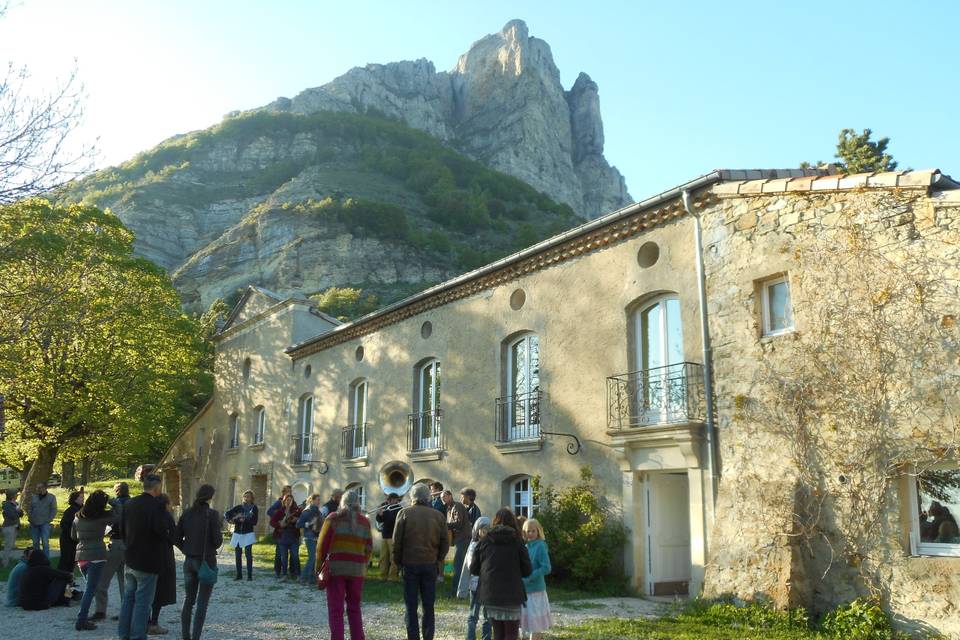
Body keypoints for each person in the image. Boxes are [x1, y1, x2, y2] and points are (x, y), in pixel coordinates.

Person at [393, 482, 449, 640]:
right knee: (428, 606)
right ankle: (428, 637)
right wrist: (438, 559)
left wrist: (398, 563)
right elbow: (445, 542)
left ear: (413, 497)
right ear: (428, 498)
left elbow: (397, 542)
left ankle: (413, 637)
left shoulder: (404, 513)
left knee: (411, 606)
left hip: (409, 564)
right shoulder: (438, 516)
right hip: (430, 564)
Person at [317, 489, 373, 640]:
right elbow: (369, 548)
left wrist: (318, 569)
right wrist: (363, 564)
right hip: (357, 571)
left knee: (336, 609)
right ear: (357, 503)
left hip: (336, 570)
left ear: (342, 501)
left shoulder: (332, 519)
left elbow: (321, 546)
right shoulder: (365, 522)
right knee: (355, 608)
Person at [118, 474, 169, 640]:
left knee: (128, 599)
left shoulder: (129, 503)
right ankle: (138, 636)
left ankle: (123, 634)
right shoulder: (157, 506)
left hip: (131, 557)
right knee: (142, 603)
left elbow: (121, 530)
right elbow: (161, 531)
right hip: (149, 560)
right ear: (156, 488)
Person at [469, 508, 532, 640]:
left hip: (490, 593)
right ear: (513, 522)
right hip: (512, 594)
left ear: (495, 521)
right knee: (511, 633)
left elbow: (474, 569)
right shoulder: (517, 541)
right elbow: (527, 570)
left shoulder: (485, 541)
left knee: (498, 633)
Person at [175, 484, 222, 640]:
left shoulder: (187, 513)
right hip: (206, 560)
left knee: (188, 600)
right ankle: (195, 637)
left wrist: (186, 549)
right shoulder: (212, 514)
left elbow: (175, 537)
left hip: (189, 561)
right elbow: (217, 542)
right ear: (210, 497)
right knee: (202, 603)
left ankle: (185, 636)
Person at [71, 489, 115, 630]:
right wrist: (114, 503)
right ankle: (81, 619)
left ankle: (82, 618)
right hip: (97, 555)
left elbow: (73, 536)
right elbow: (119, 517)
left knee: (90, 588)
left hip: (81, 557)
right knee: (90, 589)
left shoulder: (78, 516)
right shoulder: (102, 517)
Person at [92, 481, 131, 621]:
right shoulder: (133, 504)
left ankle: (100, 610)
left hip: (116, 543)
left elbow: (111, 522)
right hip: (129, 543)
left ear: (117, 491)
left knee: (103, 578)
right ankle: (126, 611)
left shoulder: (116, 507)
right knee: (124, 580)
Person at [457, 517, 492, 640]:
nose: (486, 532)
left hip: (489, 586)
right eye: (484, 530)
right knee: (473, 615)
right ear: (477, 531)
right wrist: (462, 590)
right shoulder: (473, 546)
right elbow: (469, 567)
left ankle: (486, 638)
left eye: (488, 529)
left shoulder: (492, 546)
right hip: (476, 585)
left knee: (488, 617)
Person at [148, 493, 178, 636]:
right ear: (166, 504)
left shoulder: (148, 515)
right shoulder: (166, 517)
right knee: (159, 592)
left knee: (146, 591)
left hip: (148, 557)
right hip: (163, 557)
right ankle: (153, 623)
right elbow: (174, 537)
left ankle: (145, 622)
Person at [519, 519, 552, 640]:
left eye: (533, 531)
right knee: (526, 624)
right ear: (524, 532)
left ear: (538, 531)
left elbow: (547, 567)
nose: (531, 533)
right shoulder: (525, 547)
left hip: (536, 591)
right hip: (525, 591)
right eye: (528, 531)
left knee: (536, 625)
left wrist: (530, 576)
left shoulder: (541, 546)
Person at [20, 546, 73, 610]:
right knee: (66, 578)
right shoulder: (42, 569)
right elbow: (63, 574)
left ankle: (65, 598)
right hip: (40, 604)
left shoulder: (28, 570)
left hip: (25, 605)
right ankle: (67, 599)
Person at [224, 490, 259, 581]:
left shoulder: (254, 508)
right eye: (245, 496)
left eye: (248, 497)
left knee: (248, 554)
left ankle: (249, 576)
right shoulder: (239, 507)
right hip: (238, 533)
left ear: (252, 498)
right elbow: (226, 514)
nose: (246, 498)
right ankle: (239, 575)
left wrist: (245, 520)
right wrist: (231, 520)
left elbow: (254, 522)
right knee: (238, 555)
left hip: (248, 533)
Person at [443, 490, 470, 598]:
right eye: (441, 498)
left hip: (463, 539)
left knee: (458, 566)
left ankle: (456, 592)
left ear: (450, 496)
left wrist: (445, 525)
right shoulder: (449, 509)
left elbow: (458, 523)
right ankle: (455, 591)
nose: (443, 499)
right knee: (455, 566)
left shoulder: (457, 506)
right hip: (457, 540)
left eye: (444, 497)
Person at [270, 493, 302, 580]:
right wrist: (280, 524)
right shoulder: (280, 511)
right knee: (283, 557)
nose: (288, 502)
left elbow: (302, 521)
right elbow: (272, 522)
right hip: (282, 536)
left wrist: (297, 520)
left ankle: (298, 575)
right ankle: (284, 575)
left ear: (292, 502)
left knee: (295, 556)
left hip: (293, 536)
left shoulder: (296, 511)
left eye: (290, 500)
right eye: (287, 500)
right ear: (284, 501)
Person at [266, 485, 292, 576]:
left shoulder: (292, 501)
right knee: (279, 553)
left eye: (290, 491)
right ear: (284, 492)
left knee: (291, 553)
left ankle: (291, 571)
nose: (290, 493)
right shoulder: (279, 502)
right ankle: (277, 571)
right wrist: (279, 517)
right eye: (288, 491)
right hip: (280, 531)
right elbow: (269, 511)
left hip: (290, 532)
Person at [57, 488, 84, 573]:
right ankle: (63, 579)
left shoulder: (81, 509)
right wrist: (73, 535)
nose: (83, 499)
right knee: (66, 560)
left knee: (73, 560)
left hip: (75, 539)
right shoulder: (71, 510)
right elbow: (64, 525)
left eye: (83, 497)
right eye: (80, 497)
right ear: (75, 499)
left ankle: (70, 579)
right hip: (68, 539)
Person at [296, 493, 322, 585]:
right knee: (312, 558)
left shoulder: (318, 512)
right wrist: (309, 524)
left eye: (319, 500)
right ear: (312, 500)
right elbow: (298, 524)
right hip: (309, 537)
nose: (319, 502)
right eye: (318, 500)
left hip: (316, 537)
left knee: (314, 559)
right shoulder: (306, 511)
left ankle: (311, 578)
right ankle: (303, 577)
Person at [375, 493, 401, 581]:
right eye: (389, 499)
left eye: (391, 499)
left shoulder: (399, 509)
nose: (389, 501)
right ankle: (383, 576)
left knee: (393, 558)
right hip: (385, 535)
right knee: (383, 557)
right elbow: (379, 520)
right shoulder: (386, 507)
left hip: (393, 536)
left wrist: (383, 515)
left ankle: (392, 577)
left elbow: (392, 520)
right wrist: (379, 514)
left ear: (396, 500)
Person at [27, 482, 57, 558]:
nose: (37, 489)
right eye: (37, 487)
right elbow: (30, 508)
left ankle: (46, 561)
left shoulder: (51, 497)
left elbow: (54, 510)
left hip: (45, 523)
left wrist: (49, 519)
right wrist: (30, 517)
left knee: (45, 543)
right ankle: (37, 560)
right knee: (35, 543)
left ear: (44, 488)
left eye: (39, 487)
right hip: (33, 523)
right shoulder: (34, 497)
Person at [2, 489, 23, 567]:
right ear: (11, 495)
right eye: (16, 494)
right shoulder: (6, 505)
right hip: (8, 527)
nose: (17, 495)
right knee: (8, 546)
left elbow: (21, 515)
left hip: (15, 527)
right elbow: (12, 516)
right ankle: (5, 563)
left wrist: (19, 511)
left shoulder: (15, 503)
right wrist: (17, 511)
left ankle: (7, 561)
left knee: (11, 546)